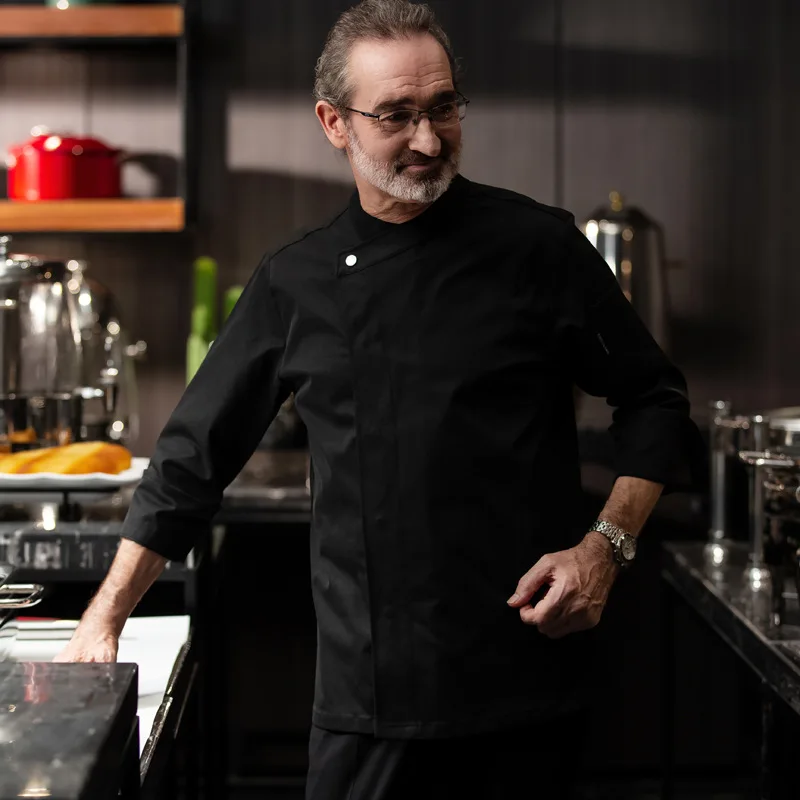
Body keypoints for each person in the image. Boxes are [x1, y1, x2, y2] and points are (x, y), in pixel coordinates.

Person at [55, 1, 704, 797]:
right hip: (370, 697)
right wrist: (104, 618)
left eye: (443, 108)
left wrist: (606, 548)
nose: (429, 140)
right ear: (334, 122)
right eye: (397, 115)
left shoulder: (538, 247)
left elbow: (656, 400)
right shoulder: (295, 282)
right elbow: (191, 461)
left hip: (529, 681)